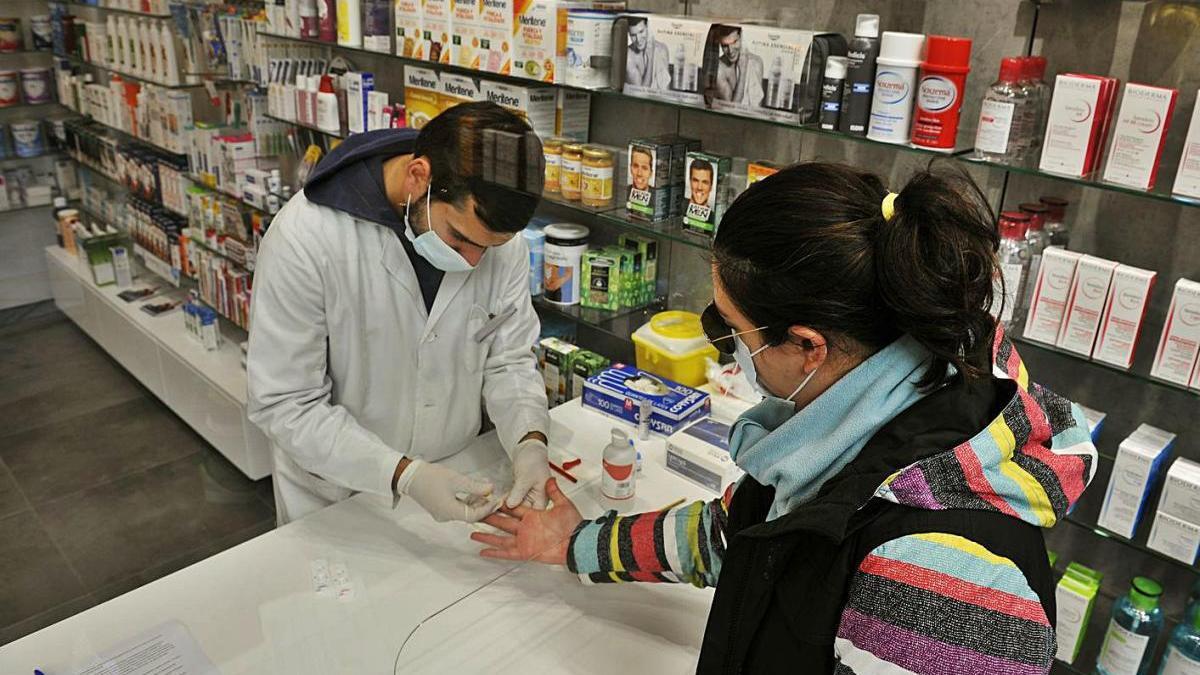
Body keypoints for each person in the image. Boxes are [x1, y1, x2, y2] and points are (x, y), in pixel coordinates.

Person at [469, 162, 1098, 674]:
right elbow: (748, 536)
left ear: (807, 347)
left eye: (729, 328)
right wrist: (580, 543)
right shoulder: (875, 412)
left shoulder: (929, 575)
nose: (725, 346)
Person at [247, 102, 552, 525]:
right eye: (460, 239)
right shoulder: (305, 238)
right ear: (418, 177)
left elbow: (508, 360)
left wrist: (529, 440)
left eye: (490, 248)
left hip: (458, 476)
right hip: (340, 494)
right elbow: (286, 403)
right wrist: (405, 475)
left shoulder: (498, 243)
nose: (474, 262)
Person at [713, 26, 764, 106]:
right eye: (725, 46)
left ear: (741, 37)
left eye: (734, 42)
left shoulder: (756, 62)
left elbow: (757, 106)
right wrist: (742, 72)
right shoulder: (719, 69)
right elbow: (731, 110)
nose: (730, 50)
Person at [625, 17, 669, 90]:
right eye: (633, 35)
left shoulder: (662, 49)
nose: (638, 39)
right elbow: (642, 93)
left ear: (647, 27)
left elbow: (666, 90)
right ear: (629, 34)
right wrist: (650, 58)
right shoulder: (629, 56)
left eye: (641, 31)